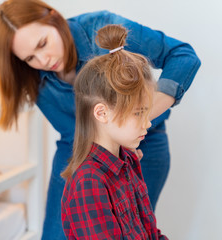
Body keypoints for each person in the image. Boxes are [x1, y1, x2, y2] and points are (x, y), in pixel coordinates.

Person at [0, 0, 200, 239]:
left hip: (142, 145)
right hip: (77, 151)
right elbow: (74, 134)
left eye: (43, 44)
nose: (44, 61)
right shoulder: (31, 76)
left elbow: (183, 56)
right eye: (30, 58)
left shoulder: (101, 28)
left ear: (54, 18)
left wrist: (138, 118)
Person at [61, 24, 167, 240]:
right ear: (101, 113)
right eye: (138, 113)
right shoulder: (89, 182)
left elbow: (149, 230)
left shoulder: (128, 159)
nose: (147, 123)